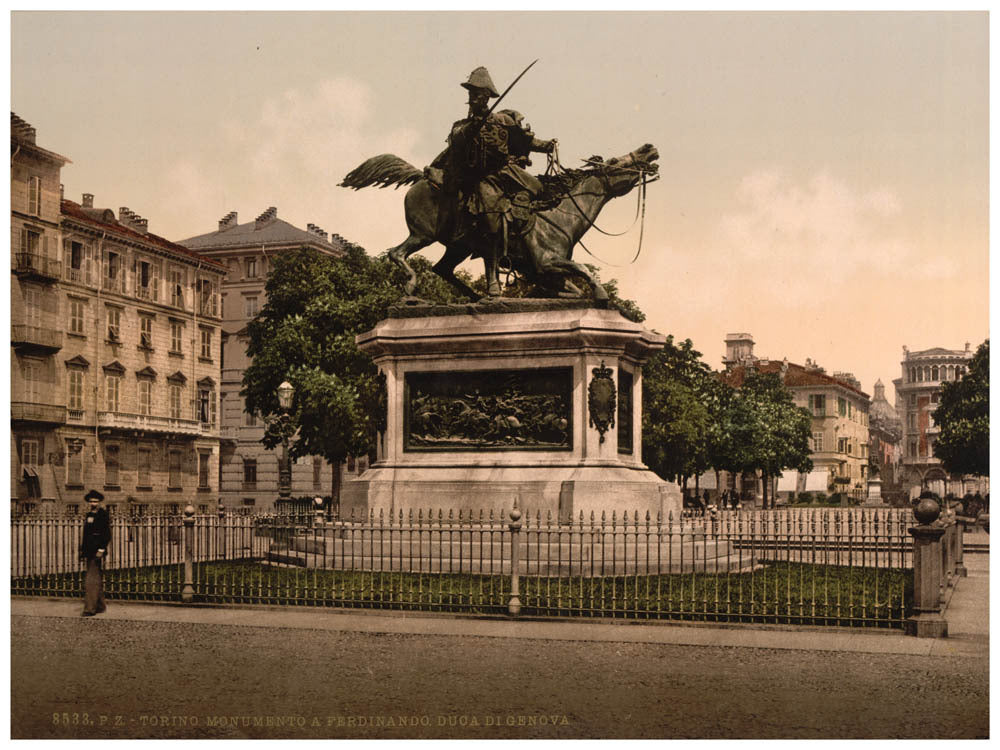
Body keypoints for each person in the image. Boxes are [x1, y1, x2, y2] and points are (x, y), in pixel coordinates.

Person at [428, 66, 557, 251]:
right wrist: (471, 127)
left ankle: (524, 239)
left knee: (537, 188)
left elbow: (526, 142)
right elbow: (456, 139)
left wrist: (547, 145)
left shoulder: (504, 120)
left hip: (505, 171)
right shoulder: (462, 125)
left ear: (487, 96)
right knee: (490, 215)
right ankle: (494, 251)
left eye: (477, 93)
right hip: (481, 177)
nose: (472, 97)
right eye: (471, 92)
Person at [79, 489, 111, 617]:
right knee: (95, 578)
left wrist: (101, 550)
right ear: (89, 502)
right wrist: (82, 551)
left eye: (96, 501)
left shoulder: (103, 514)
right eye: (91, 501)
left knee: (91, 579)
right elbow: (86, 535)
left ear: (99, 502)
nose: (93, 503)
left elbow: (106, 534)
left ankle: (90, 609)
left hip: (97, 551)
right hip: (88, 550)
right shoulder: (88, 515)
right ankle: (100, 606)